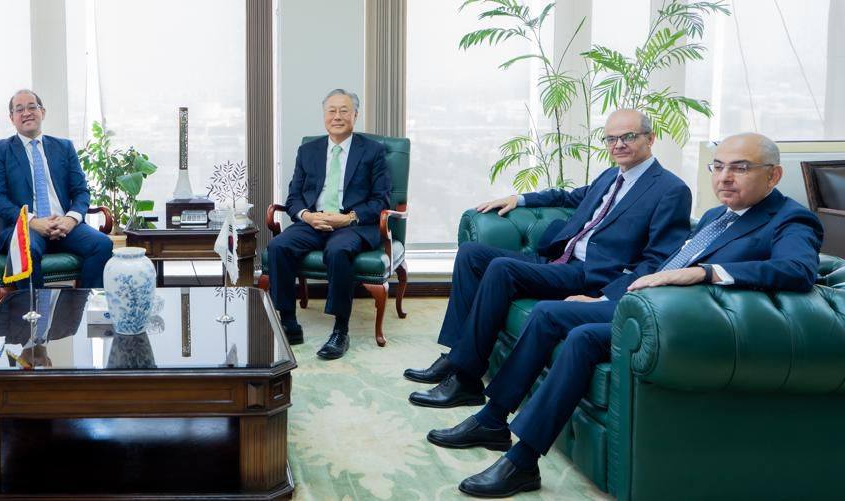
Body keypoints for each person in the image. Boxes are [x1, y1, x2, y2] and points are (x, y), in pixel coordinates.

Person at [436, 132, 824, 497]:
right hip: (645, 304)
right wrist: (609, 297)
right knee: (548, 315)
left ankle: (522, 461)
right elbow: (663, 264)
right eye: (718, 166)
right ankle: (492, 418)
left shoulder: (791, 219)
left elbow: (798, 269)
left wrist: (706, 272)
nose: (724, 177)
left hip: (683, 319)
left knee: (583, 337)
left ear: (773, 175)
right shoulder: (716, 216)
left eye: (739, 168)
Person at [406, 109, 692, 407]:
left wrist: (606, 298)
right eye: (611, 138)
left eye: (628, 137)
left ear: (650, 138)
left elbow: (658, 260)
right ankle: (455, 356)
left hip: (589, 275)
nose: (618, 145)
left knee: (503, 268)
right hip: (560, 259)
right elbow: (569, 198)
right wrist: (520, 199)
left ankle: (466, 380)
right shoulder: (611, 175)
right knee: (471, 254)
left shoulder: (671, 190)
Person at [267, 89, 391, 360]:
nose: (337, 116)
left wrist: (349, 217)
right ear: (324, 115)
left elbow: (381, 199)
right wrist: (307, 216)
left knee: (338, 250)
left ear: (355, 115)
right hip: (314, 220)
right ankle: (289, 322)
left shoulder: (372, 151)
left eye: (344, 111)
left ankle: (340, 330)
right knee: (278, 246)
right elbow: (294, 197)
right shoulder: (308, 151)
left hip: (352, 224)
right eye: (331, 111)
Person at [0, 89, 113, 288]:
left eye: (32, 107)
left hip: (64, 225)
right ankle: (34, 309)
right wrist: (32, 221)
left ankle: (84, 303)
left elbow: (81, 191)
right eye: (19, 109)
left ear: (42, 112)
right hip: (25, 228)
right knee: (27, 250)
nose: (27, 113)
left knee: (102, 244)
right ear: (12, 118)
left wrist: (70, 219)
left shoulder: (64, 147)